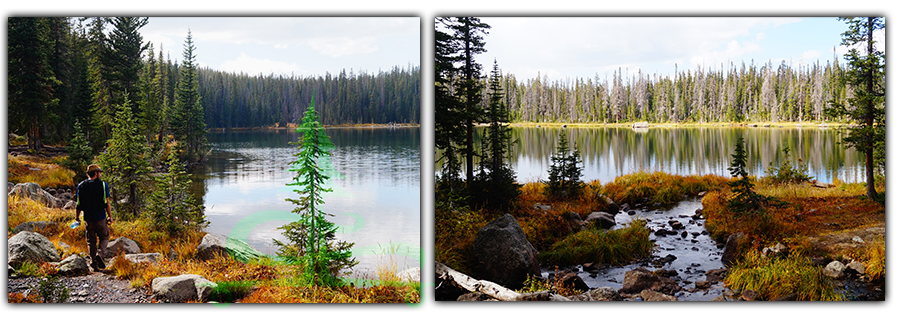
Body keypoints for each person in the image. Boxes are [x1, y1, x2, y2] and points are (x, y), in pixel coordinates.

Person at [75, 164, 113, 271]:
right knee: (104, 237)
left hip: (88, 219)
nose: (100, 174)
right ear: (96, 173)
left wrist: (77, 218)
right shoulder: (103, 185)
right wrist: (110, 216)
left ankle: (94, 264)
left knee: (91, 242)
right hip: (100, 217)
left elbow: (78, 204)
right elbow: (107, 203)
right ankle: (100, 254)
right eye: (100, 172)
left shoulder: (81, 186)